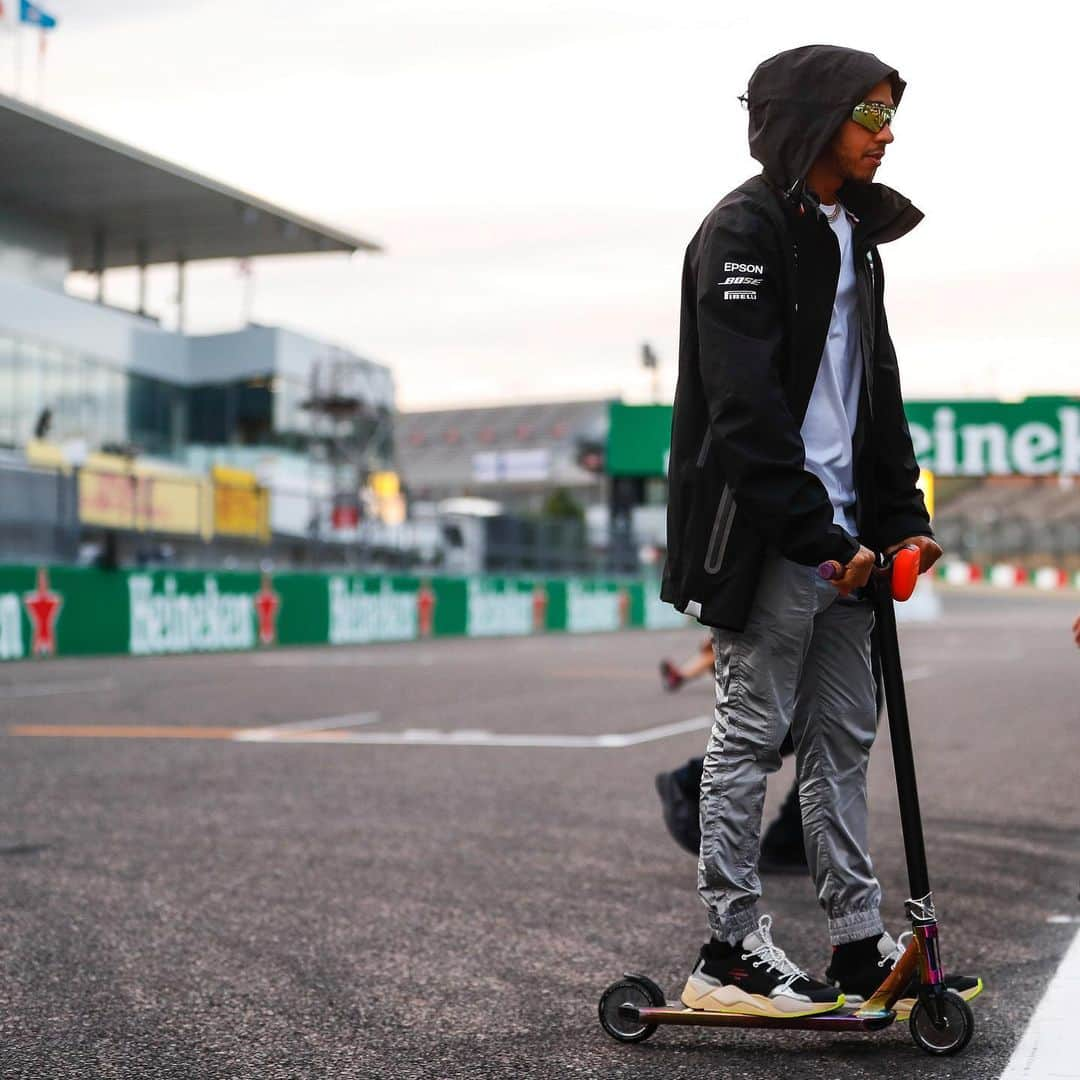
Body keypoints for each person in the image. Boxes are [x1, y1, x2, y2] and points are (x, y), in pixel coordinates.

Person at [660, 45, 980, 1017]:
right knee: (750, 733)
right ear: (813, 116)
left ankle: (853, 943)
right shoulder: (744, 230)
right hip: (775, 535)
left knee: (842, 738)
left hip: (851, 540)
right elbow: (743, 410)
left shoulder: (856, 239)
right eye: (871, 114)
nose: (888, 133)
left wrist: (904, 524)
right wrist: (813, 533)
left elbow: (877, 400)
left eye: (890, 115)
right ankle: (729, 952)